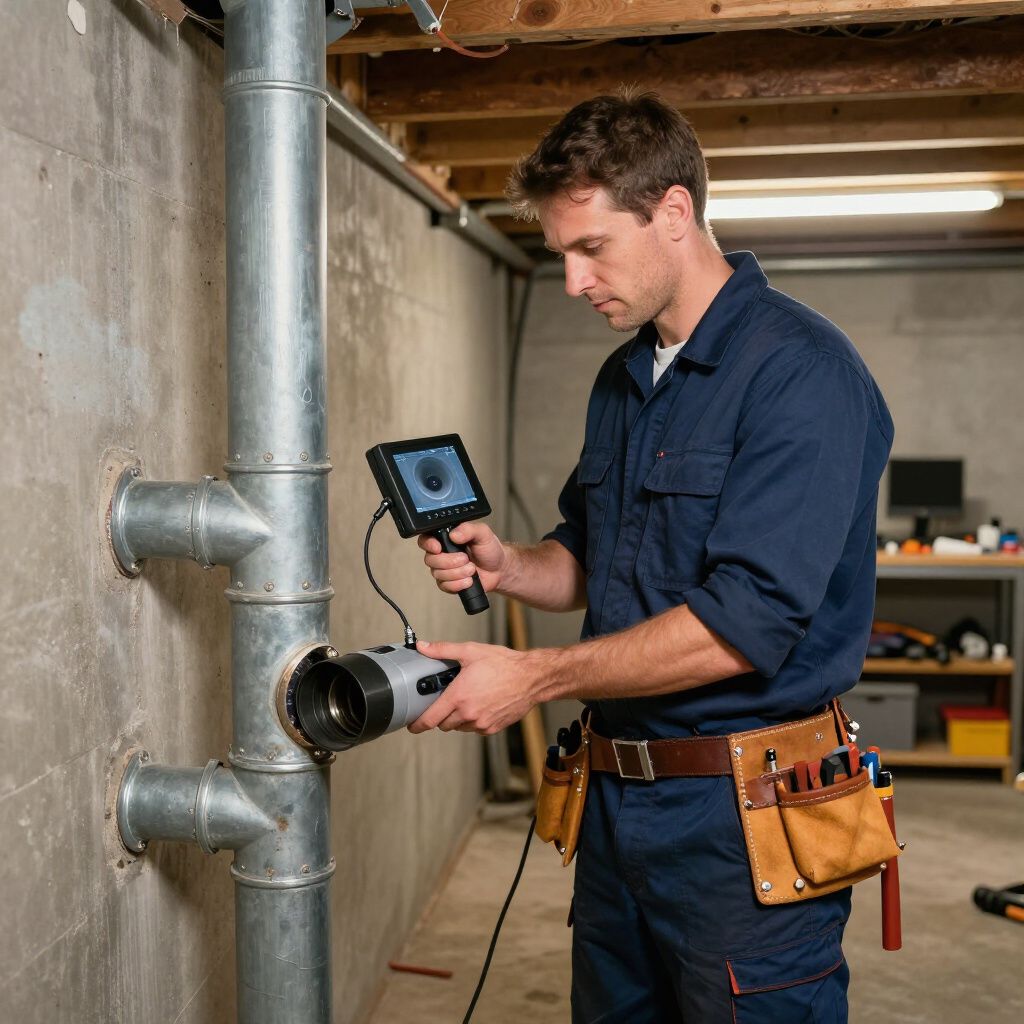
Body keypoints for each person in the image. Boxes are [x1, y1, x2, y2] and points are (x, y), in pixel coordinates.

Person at [409, 91, 893, 1023]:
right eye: (561, 254)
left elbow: (741, 625)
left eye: (591, 248)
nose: (573, 281)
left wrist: (533, 677)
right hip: (617, 809)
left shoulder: (804, 374)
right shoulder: (625, 377)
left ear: (674, 213)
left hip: (742, 818)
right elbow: (597, 560)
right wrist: (509, 564)